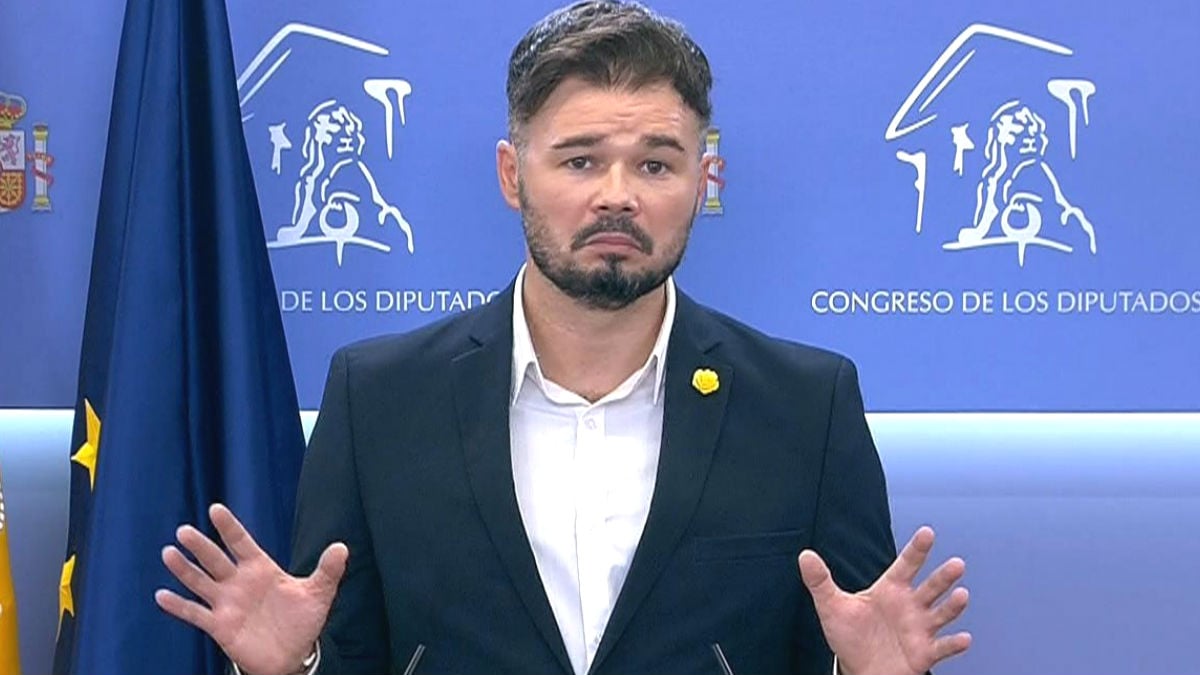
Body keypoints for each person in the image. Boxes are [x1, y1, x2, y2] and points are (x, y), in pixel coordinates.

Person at [155, 2, 971, 673]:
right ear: (513, 175)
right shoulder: (377, 397)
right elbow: (352, 653)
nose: (617, 196)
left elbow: (852, 637)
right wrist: (288, 670)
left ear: (701, 179)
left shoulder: (805, 404)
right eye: (580, 161)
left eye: (656, 164)